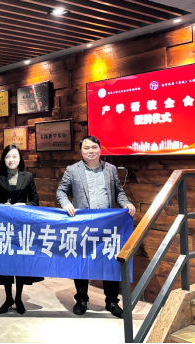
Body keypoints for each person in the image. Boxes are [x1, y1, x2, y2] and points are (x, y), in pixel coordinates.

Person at [56, 136, 136, 319]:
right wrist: (65, 203)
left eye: (94, 147)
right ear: (81, 151)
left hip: (108, 225)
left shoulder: (110, 169)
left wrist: (125, 203)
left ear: (100, 149)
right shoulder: (72, 170)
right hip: (83, 225)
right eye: (86, 148)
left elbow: (118, 192)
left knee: (110, 262)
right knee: (82, 262)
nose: (90, 151)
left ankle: (112, 301)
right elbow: (61, 191)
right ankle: (81, 300)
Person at [0, 145, 44, 315]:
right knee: (6, 262)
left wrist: (23, 205)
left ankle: (18, 298)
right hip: (4, 226)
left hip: (22, 226)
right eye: (8, 156)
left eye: (14, 156)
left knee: (20, 262)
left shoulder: (28, 176)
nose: (11, 160)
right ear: (3, 159)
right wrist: (1, 206)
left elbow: (35, 201)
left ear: (20, 159)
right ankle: (8, 297)